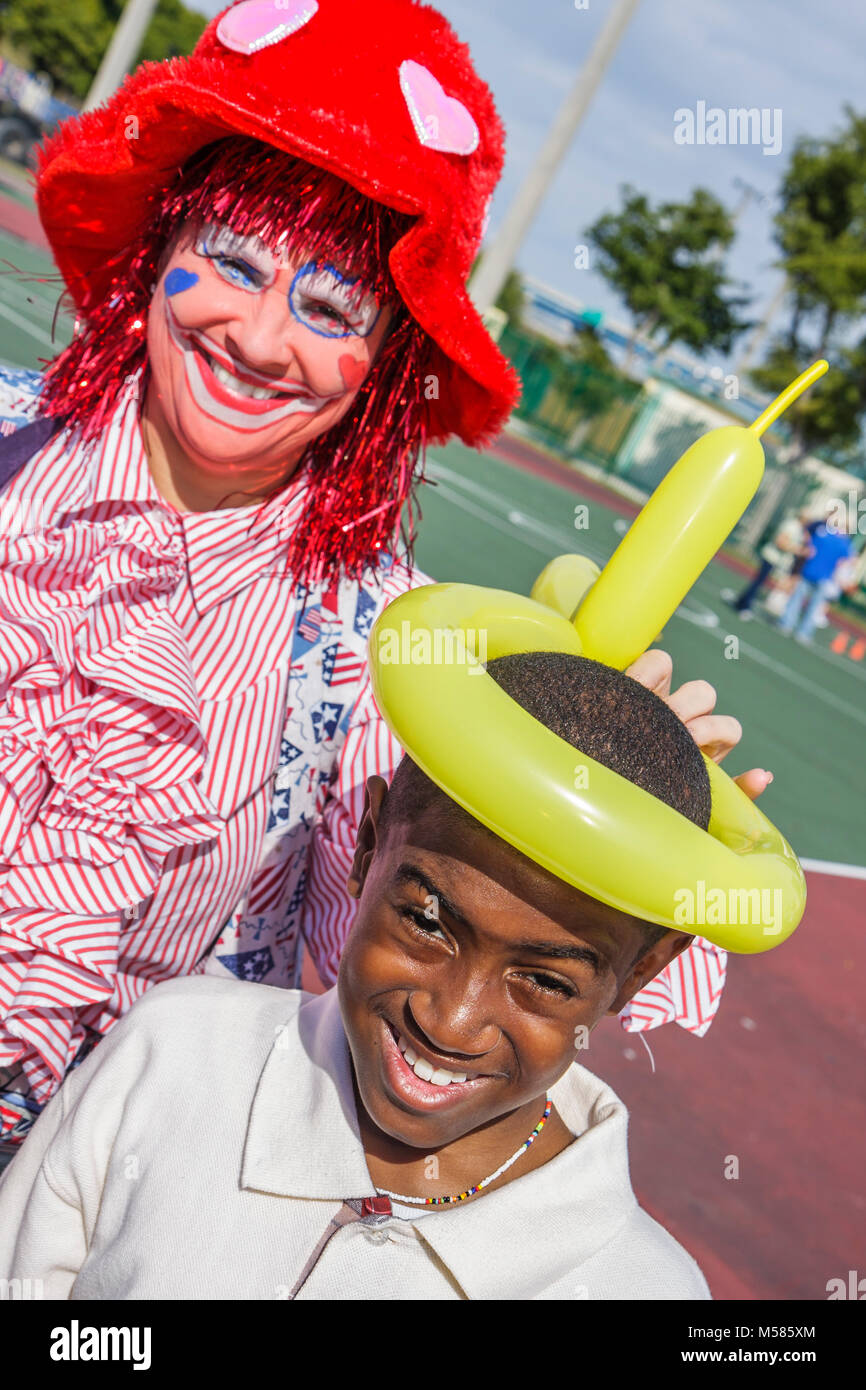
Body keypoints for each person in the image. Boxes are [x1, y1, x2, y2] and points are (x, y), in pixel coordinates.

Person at [0, 0, 761, 1160]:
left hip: (72, 1192)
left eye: (327, 308)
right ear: (160, 245)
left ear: (388, 359)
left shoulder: (392, 645)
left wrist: (613, 800)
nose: (259, 339)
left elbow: (410, 962)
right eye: (234, 263)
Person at [0, 650, 745, 1300]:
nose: (450, 1021)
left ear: (643, 971)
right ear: (365, 845)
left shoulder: (643, 1289)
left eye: (545, 983)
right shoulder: (172, 1055)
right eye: (425, 922)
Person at [777, 510, 855, 641]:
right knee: (813, 607)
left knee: (797, 600)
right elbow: (847, 561)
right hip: (823, 577)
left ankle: (787, 624)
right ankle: (803, 633)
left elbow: (808, 542)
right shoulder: (844, 542)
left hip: (810, 571)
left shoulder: (823, 533)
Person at [732, 510, 808, 619]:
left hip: (778, 560)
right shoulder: (792, 526)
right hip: (772, 557)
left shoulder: (799, 529)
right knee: (758, 583)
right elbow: (780, 542)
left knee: (760, 583)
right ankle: (744, 605)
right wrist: (798, 550)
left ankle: (741, 602)